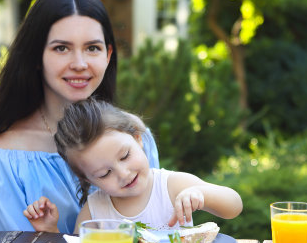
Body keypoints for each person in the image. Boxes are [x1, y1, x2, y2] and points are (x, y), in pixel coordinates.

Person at [0, 0, 159, 234]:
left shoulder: (135, 135)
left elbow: (154, 231)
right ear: (35, 57)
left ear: (108, 55)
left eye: (92, 48)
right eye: (61, 48)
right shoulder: (1, 160)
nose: (79, 64)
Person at [23, 98, 243, 232]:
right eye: (104, 173)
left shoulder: (172, 186)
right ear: (88, 179)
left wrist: (199, 193)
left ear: (138, 139)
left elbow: (234, 206)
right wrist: (51, 230)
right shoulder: (95, 211)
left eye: (125, 155)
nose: (123, 173)